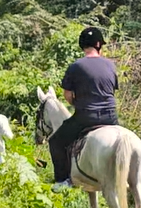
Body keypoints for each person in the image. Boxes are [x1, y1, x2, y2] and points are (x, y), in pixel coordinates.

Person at [49, 27, 119, 192]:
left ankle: (62, 180)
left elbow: (67, 95)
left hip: (86, 117)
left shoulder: (75, 66)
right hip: (110, 117)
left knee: (56, 141)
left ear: (83, 45)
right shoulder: (110, 65)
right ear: (98, 44)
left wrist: (78, 104)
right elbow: (111, 91)